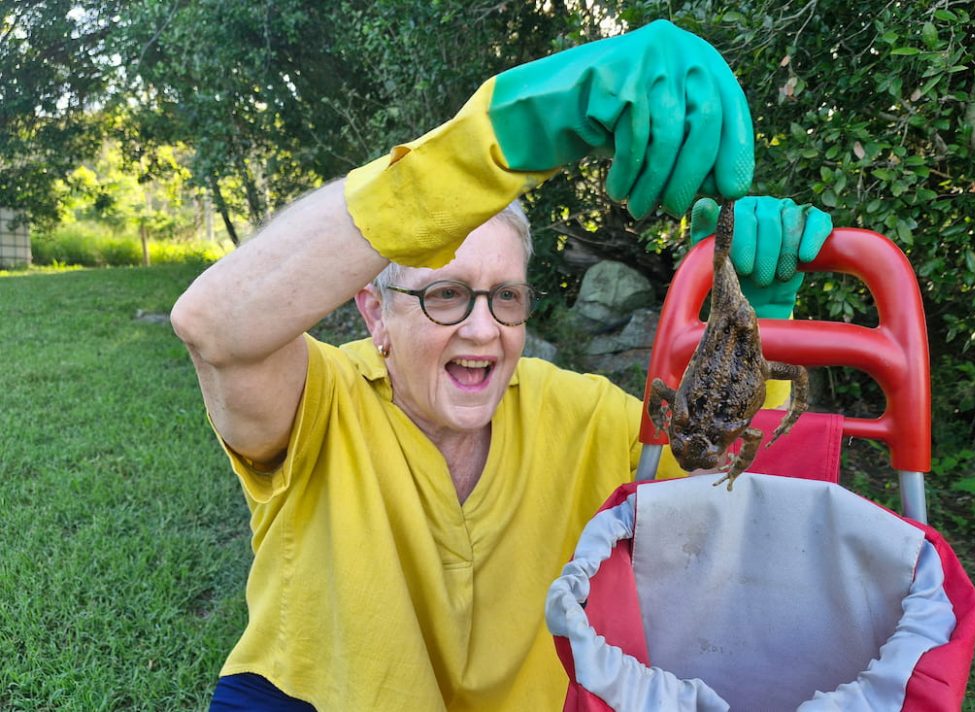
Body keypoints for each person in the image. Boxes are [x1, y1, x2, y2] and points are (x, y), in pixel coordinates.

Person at [171, 20, 832, 711]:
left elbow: (728, 506)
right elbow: (213, 327)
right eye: (446, 294)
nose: (483, 330)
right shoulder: (324, 399)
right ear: (374, 312)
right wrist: (501, 139)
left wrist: (758, 338)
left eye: (507, 297)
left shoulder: (576, 413)